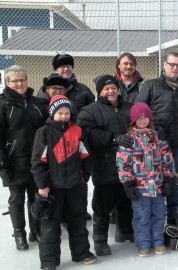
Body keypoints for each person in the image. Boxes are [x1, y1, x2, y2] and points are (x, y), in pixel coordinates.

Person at [31, 95, 97, 270]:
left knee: (78, 222)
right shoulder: (44, 132)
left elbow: (86, 156)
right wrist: (42, 185)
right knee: (50, 226)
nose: (64, 116)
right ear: (53, 113)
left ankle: (81, 252)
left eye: (67, 113)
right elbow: (37, 162)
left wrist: (85, 176)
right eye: (60, 113)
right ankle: (49, 261)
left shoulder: (77, 131)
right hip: (53, 188)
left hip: (76, 186)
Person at [77, 75, 134, 256]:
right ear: (99, 91)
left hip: (129, 165)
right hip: (105, 163)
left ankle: (124, 230)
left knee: (126, 198)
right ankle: (100, 239)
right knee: (102, 204)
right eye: (106, 89)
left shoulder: (128, 107)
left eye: (113, 88)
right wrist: (113, 138)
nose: (111, 91)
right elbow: (87, 133)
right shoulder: (90, 111)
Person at [136, 51, 178, 228]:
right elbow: (139, 111)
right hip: (154, 143)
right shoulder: (151, 85)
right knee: (153, 177)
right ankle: (155, 215)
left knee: (172, 178)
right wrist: (152, 130)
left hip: (176, 142)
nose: (175, 68)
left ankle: (173, 214)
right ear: (164, 65)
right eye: (172, 64)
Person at [116, 102, 175, 256]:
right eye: (139, 118)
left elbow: (167, 160)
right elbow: (123, 164)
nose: (142, 121)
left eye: (145, 117)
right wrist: (128, 183)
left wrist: (168, 179)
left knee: (159, 214)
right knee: (142, 217)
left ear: (150, 118)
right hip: (140, 188)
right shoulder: (129, 140)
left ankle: (158, 241)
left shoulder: (157, 138)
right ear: (133, 120)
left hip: (157, 186)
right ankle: (143, 243)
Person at [0, 65, 48, 250]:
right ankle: (19, 233)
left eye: (22, 80)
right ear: (8, 82)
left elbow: (47, 132)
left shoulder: (37, 104)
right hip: (14, 162)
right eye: (15, 80)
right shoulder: (3, 105)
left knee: (36, 197)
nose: (19, 83)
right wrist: (3, 165)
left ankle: (35, 229)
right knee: (16, 199)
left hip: (36, 162)